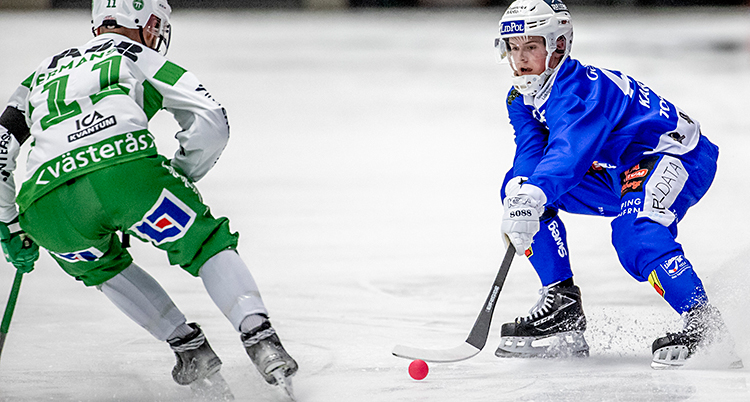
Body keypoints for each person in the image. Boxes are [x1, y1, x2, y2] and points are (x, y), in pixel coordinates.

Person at [0, 0, 298, 393]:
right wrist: (180, 175)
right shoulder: (136, 54)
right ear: (144, 22)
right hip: (127, 174)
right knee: (205, 243)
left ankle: (188, 349)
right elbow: (211, 120)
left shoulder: (42, 70)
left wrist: (11, 223)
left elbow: (2, 146)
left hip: (46, 206)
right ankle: (261, 340)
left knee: (101, 268)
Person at [493, 0, 741, 369]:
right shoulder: (521, 96)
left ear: (558, 45)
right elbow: (534, 151)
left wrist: (533, 194)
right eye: (514, 48)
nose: (521, 58)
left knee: (635, 234)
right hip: (619, 170)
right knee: (517, 189)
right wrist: (522, 193)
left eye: (532, 46)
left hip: (675, 156)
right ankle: (562, 305)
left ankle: (704, 324)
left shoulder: (580, 91)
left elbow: (569, 153)